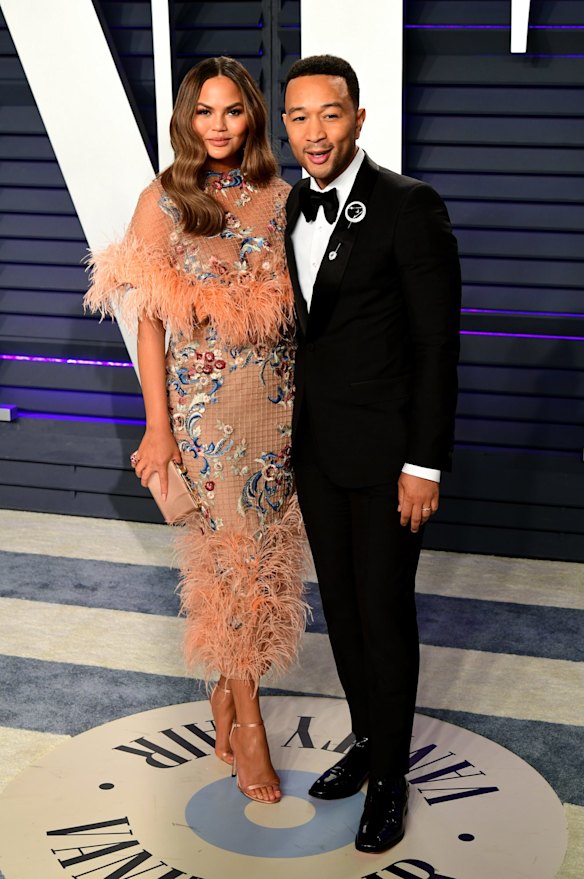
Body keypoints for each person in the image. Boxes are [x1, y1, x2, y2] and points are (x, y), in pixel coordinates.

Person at [85, 56, 308, 805]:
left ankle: (224, 685)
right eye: (204, 112)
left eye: (233, 111)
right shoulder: (165, 200)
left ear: (253, 117)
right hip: (204, 412)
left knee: (261, 562)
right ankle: (248, 722)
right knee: (230, 565)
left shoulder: (283, 198)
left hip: (278, 409)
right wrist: (158, 428)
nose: (218, 126)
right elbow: (147, 323)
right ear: (187, 119)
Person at [283, 55, 461, 851]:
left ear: (358, 118)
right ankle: (366, 738)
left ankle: (390, 777)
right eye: (298, 117)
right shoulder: (292, 204)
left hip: (391, 459)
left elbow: (436, 344)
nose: (314, 132)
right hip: (317, 451)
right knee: (345, 613)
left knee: (385, 614)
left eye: (329, 114)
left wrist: (424, 462)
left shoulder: (408, 206)